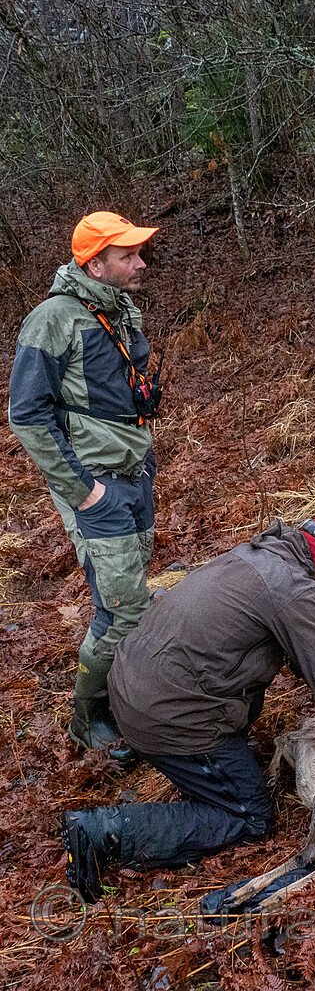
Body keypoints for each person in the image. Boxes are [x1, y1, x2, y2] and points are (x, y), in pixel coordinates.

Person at [60, 514, 315, 903]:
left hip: (133, 687)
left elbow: (295, 658)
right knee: (249, 816)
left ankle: (165, 752)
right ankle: (106, 832)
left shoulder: (260, 554)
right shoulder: (296, 592)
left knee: (245, 698)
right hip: (167, 715)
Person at [8, 211, 160, 765]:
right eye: (129, 256)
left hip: (133, 478)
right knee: (124, 611)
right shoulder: (52, 320)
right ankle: (88, 718)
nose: (141, 263)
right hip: (96, 489)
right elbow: (26, 415)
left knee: (127, 600)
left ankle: (128, 701)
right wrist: (83, 490)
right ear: (95, 264)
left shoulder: (120, 312)